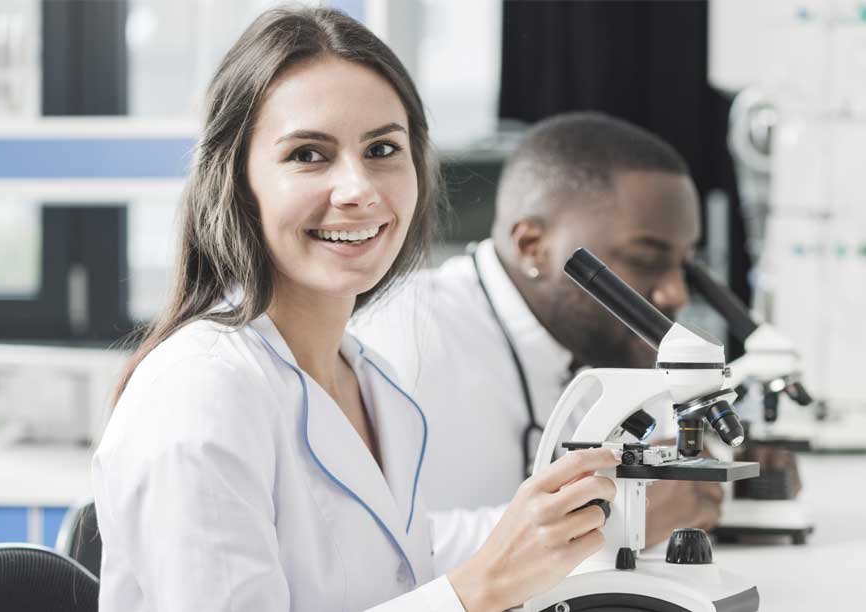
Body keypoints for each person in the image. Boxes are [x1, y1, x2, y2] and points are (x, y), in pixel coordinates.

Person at [92, 8, 621, 612]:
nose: (359, 190)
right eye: (308, 155)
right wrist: (478, 589)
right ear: (236, 182)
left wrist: (569, 516)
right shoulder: (199, 391)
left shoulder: (370, 381)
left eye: (382, 149)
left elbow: (394, 572)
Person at [352, 112, 730, 571]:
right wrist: (610, 521)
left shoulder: (596, 338)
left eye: (684, 266)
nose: (675, 293)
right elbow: (370, 553)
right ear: (532, 245)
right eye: (645, 259)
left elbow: (672, 466)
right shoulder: (404, 340)